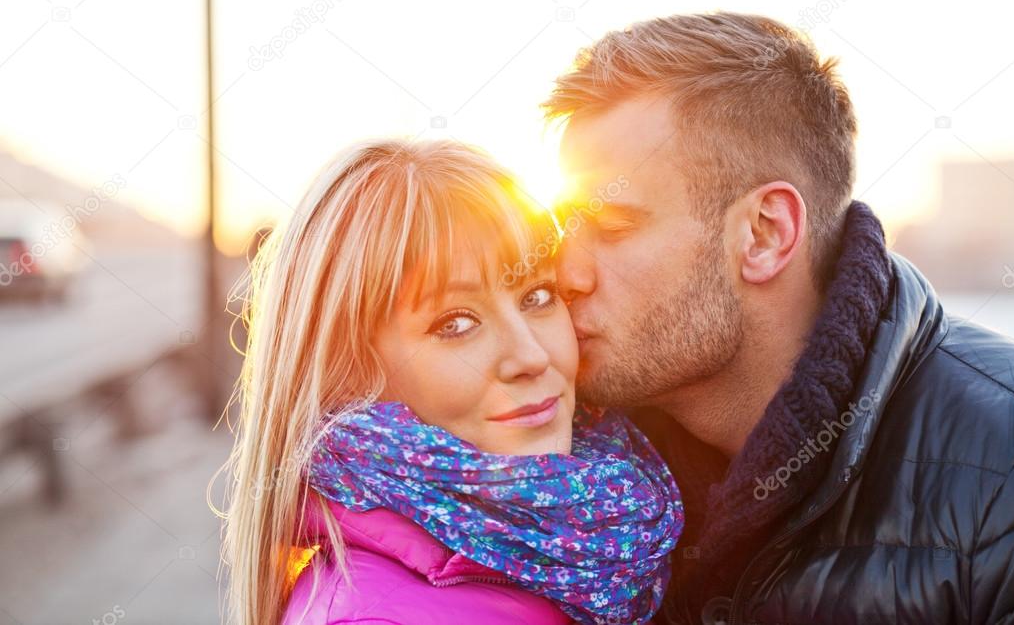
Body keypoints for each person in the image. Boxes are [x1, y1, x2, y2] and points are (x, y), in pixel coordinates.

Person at [543, 12, 1014, 624]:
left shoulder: (1008, 480)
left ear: (765, 234)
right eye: (561, 227)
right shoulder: (557, 462)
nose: (565, 271)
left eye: (612, 225)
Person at [219, 139, 684, 625]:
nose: (530, 355)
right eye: (455, 324)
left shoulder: (606, 524)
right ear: (348, 375)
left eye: (538, 295)